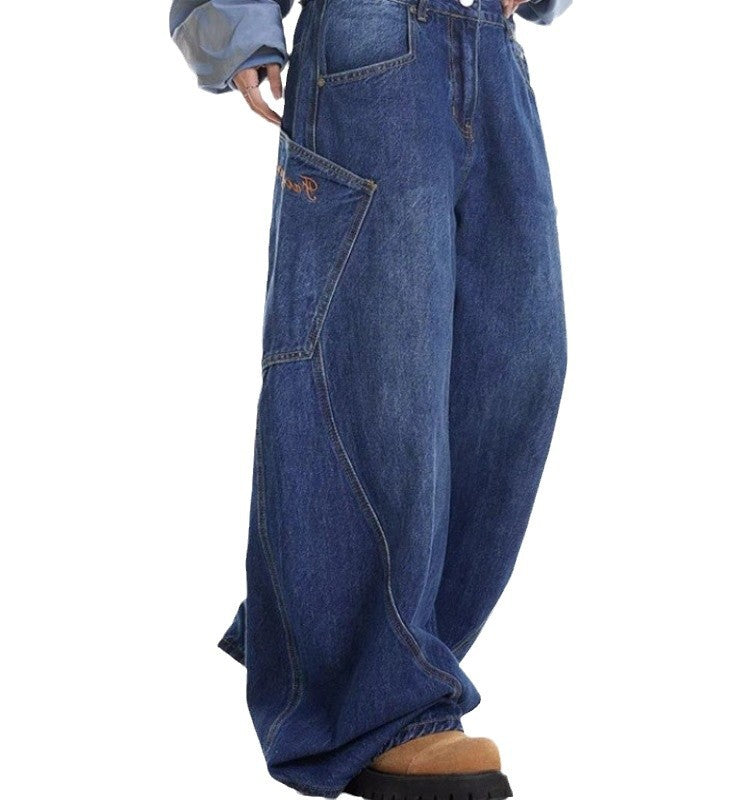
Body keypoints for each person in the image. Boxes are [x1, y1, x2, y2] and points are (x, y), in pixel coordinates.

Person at [169, 0, 572, 797]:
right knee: (377, 369)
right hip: (370, 42)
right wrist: (235, 21)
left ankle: (334, 645)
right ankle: (376, 703)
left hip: (493, 49)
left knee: (520, 367)